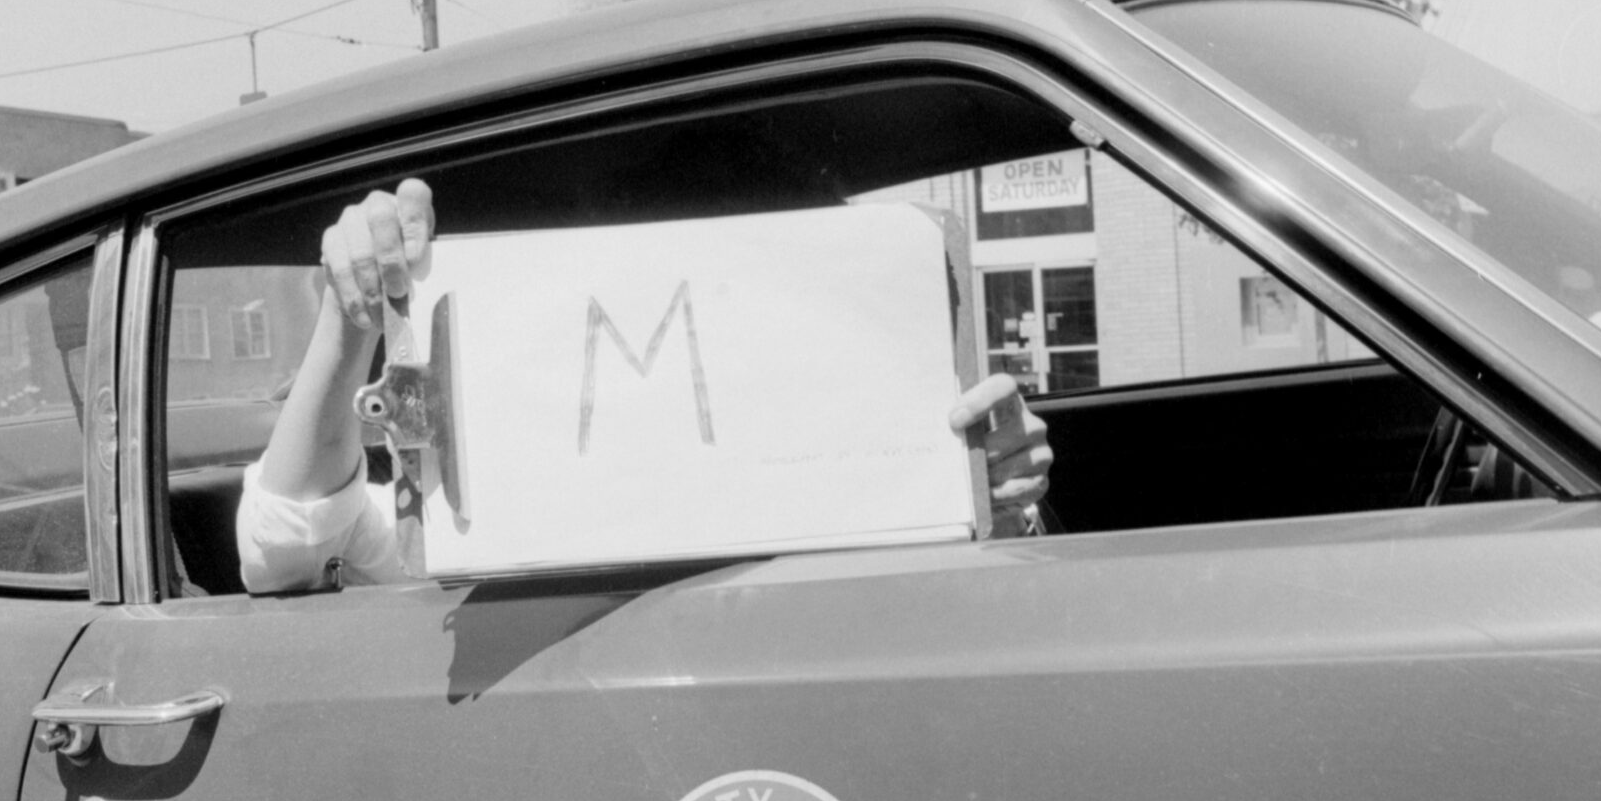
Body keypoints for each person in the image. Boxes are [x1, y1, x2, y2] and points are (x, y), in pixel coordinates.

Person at [238, 179, 1054, 594]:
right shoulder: (478, 506)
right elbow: (282, 543)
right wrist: (355, 318)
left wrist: (998, 500)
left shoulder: (850, 478)